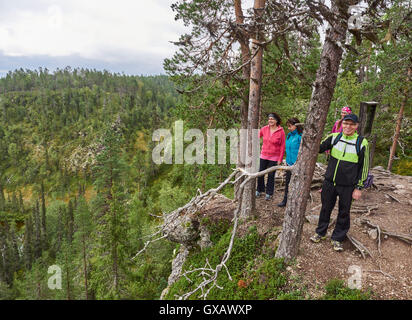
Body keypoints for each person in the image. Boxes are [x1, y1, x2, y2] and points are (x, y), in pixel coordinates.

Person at [310, 114, 369, 252]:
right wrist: (309, 135)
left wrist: (359, 187)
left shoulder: (362, 142)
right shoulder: (334, 137)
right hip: (330, 182)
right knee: (325, 208)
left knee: (344, 212)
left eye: (351, 124)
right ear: (342, 124)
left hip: (348, 186)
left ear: (356, 126)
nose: (348, 127)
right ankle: (320, 232)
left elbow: (364, 167)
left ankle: (337, 238)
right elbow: (318, 148)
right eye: (345, 124)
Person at [256, 112, 286, 201]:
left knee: (271, 175)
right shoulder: (264, 129)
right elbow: (256, 137)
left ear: (276, 120)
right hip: (264, 155)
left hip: (274, 157)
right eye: (269, 119)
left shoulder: (281, 132)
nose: (270, 120)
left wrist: (280, 159)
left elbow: (282, 146)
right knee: (260, 173)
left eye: (272, 119)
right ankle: (260, 189)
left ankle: (269, 193)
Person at [277, 118, 303, 207]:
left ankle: (296, 203)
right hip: (289, 164)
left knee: (297, 185)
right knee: (288, 183)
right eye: (288, 126)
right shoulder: (289, 136)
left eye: (290, 126)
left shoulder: (301, 136)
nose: (289, 128)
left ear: (296, 125)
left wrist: (299, 163)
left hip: (298, 165)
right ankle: (285, 200)